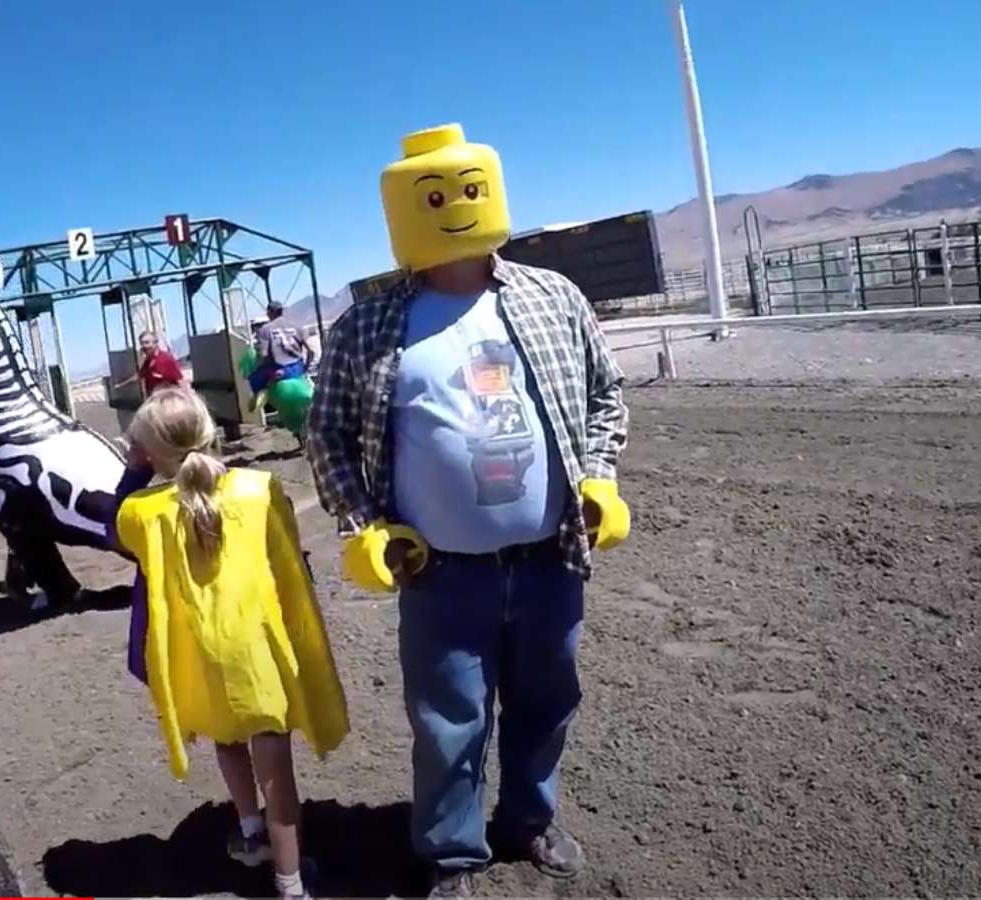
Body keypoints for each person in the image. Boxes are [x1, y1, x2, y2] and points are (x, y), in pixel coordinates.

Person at [306, 124, 631, 898]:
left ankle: (527, 820)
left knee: (548, 701)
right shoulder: (368, 326)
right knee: (448, 721)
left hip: (553, 557)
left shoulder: (554, 298)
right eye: (436, 197)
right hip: (441, 574)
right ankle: (451, 851)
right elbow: (329, 437)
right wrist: (364, 524)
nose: (454, 206)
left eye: (466, 190)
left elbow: (604, 394)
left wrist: (598, 476)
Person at [113, 387, 349, 900]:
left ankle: (252, 835)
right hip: (256, 654)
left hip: (200, 659)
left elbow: (115, 526)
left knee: (226, 740)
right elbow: (289, 562)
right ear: (210, 429)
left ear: (150, 452)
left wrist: (136, 470)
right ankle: (289, 882)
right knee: (276, 772)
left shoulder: (142, 511)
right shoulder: (260, 489)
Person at [115, 331, 186, 398]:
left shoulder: (167, 359)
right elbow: (138, 376)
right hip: (153, 401)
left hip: (167, 401)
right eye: (142, 343)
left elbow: (180, 380)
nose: (144, 346)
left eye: (147, 343)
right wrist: (121, 385)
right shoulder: (148, 361)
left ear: (156, 343)